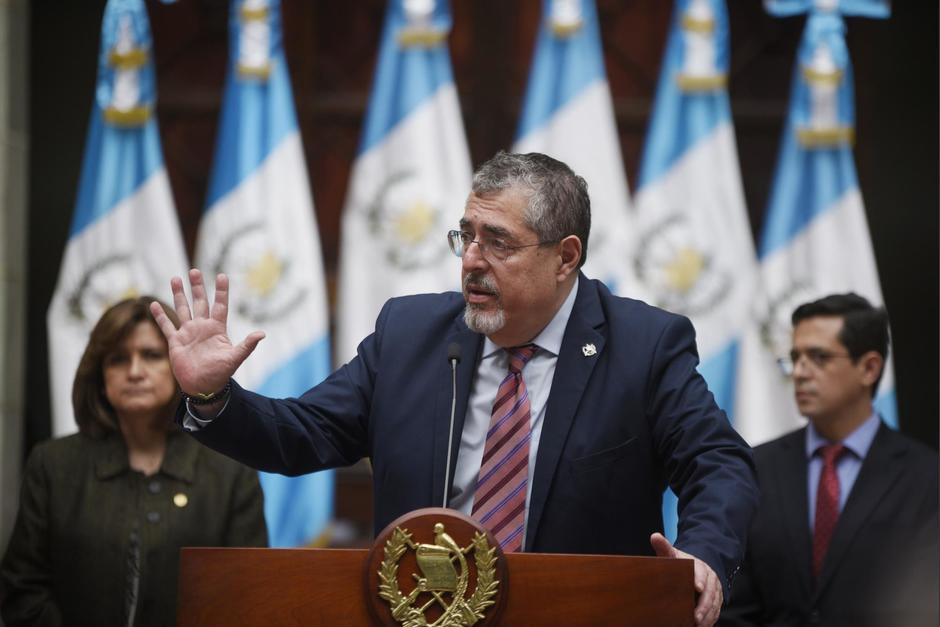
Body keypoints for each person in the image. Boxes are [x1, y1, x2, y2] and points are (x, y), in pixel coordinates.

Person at [153, 152, 758, 627]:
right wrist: (213, 397)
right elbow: (304, 434)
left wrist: (703, 555)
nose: (471, 260)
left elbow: (718, 462)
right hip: (421, 612)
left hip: (579, 614)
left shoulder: (643, 346)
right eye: (465, 236)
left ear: (566, 257)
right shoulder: (410, 334)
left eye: (498, 242)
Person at [1, 297, 267, 627]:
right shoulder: (53, 465)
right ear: (99, 375)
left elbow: (247, 597)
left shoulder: (230, 471)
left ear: (179, 364)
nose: (135, 372)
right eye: (118, 359)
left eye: (151, 355)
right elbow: (22, 591)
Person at [720, 293, 939, 627]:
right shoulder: (758, 467)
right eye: (795, 357)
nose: (799, 372)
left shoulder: (925, 478)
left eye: (819, 357)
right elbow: (734, 605)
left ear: (869, 368)